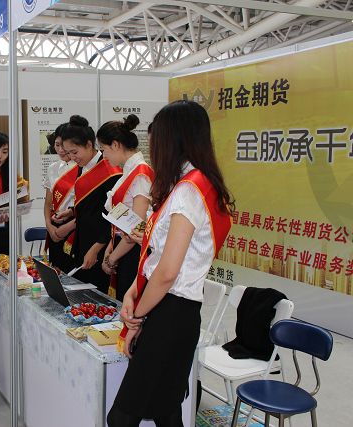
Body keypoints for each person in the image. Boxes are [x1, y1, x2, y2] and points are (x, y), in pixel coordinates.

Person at [107, 100, 233, 427]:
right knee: (166, 411)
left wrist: (136, 315)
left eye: (156, 140)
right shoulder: (194, 184)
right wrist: (134, 290)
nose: (153, 150)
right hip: (172, 309)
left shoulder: (190, 190)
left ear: (173, 139)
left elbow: (167, 272)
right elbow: (157, 256)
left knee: (122, 416)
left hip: (170, 312)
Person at [53, 115, 122, 293]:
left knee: (98, 294)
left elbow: (113, 217)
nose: (72, 157)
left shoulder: (111, 171)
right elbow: (90, 203)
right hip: (83, 239)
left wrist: (96, 248)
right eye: (68, 153)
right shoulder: (83, 165)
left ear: (89, 144)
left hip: (101, 243)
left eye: (75, 152)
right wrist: (71, 212)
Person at [98, 114, 153, 301]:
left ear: (115, 145)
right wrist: (111, 247)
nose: (104, 156)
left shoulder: (140, 174)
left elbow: (137, 227)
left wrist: (112, 258)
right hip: (123, 247)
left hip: (134, 252)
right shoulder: (129, 172)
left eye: (104, 149)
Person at [43, 123, 77, 274]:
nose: (61, 150)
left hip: (73, 226)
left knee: (70, 272)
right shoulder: (53, 168)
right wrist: (49, 226)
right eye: (57, 145)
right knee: (55, 271)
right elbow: (47, 203)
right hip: (54, 224)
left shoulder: (82, 168)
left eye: (64, 146)